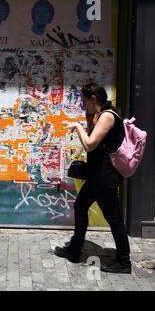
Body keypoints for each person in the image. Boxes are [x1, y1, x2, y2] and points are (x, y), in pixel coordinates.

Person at [53, 83, 132, 274]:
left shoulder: (107, 116)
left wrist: (79, 126)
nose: (83, 105)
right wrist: (88, 121)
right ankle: (74, 250)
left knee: (113, 217)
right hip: (97, 175)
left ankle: (124, 262)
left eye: (85, 101)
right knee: (80, 206)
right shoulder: (99, 116)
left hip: (106, 176)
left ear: (94, 98)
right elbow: (94, 143)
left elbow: (89, 145)